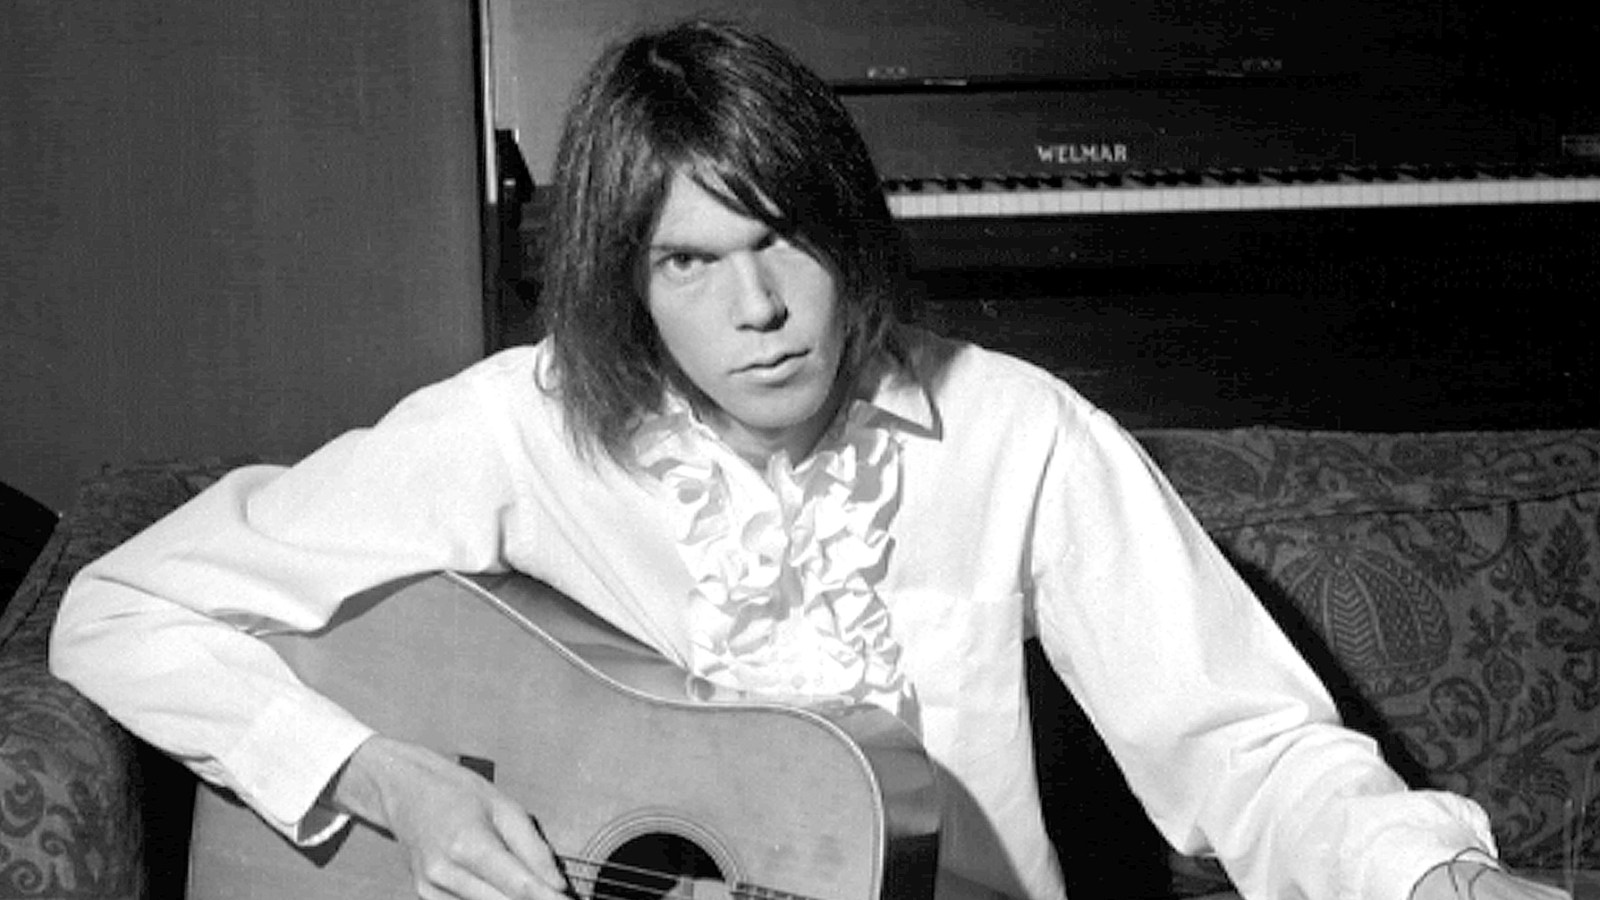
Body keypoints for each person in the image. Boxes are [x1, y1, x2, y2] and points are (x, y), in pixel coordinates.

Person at [49, 18, 1571, 900]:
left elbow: (1244, 743)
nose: (760, 310)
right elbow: (115, 610)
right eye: (689, 263)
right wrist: (392, 782)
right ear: (623, 281)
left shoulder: (1019, 430)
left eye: (784, 241)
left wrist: (1429, 875)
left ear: (849, 229)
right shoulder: (516, 424)